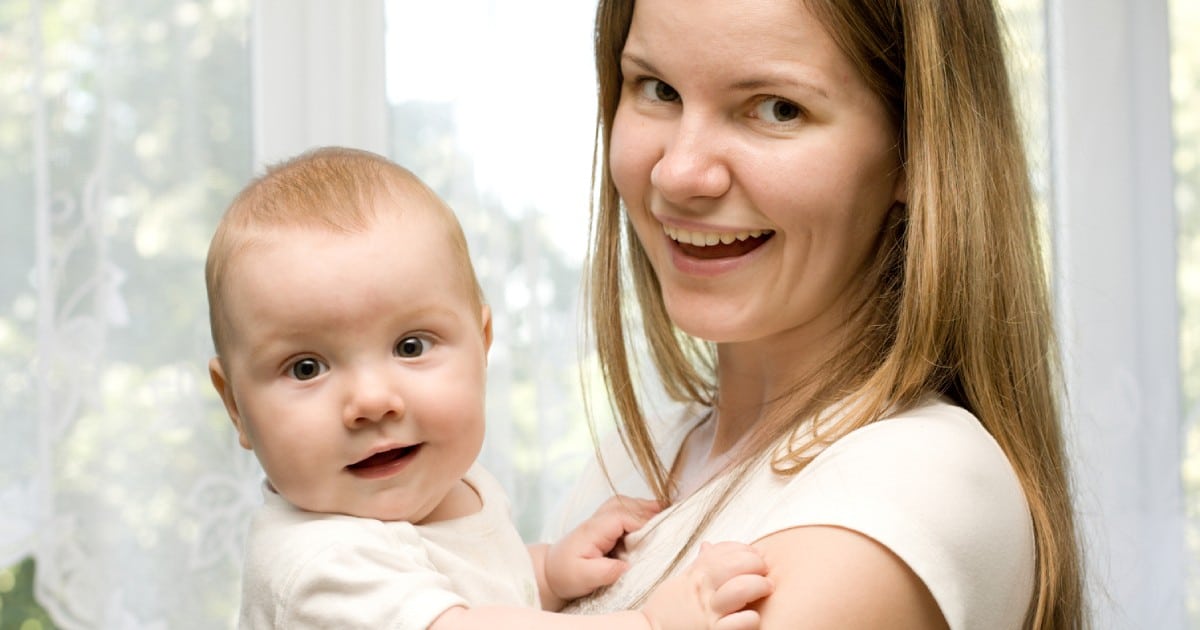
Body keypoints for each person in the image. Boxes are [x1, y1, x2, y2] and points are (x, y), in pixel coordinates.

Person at [545, 0, 1085, 629]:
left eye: (778, 108)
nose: (680, 171)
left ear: (916, 148)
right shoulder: (636, 462)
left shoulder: (911, 486)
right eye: (658, 89)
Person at [204, 147, 772, 629]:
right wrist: (647, 622)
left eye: (410, 347)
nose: (373, 402)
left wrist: (547, 572)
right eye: (306, 368)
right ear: (235, 407)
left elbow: (467, 584)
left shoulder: (456, 487)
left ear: (482, 343)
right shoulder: (319, 564)